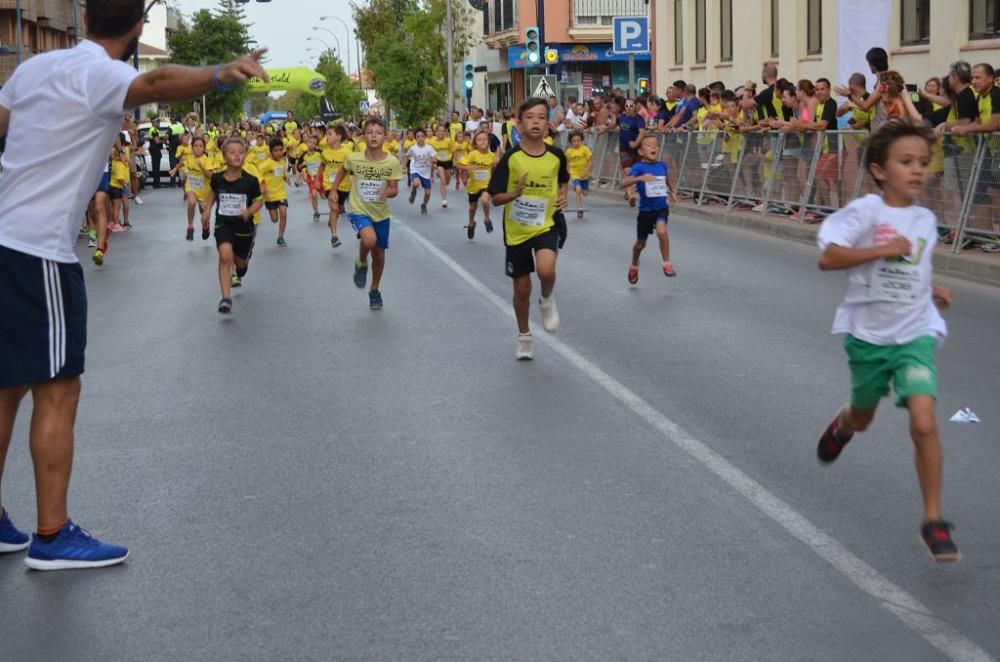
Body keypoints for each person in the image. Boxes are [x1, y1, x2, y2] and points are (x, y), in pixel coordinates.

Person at [0, 0, 267, 571]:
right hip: (39, 251)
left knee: (6, 388)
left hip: (5, 238)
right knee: (57, 387)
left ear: (88, 16)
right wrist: (222, 71)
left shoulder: (33, 68)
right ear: (138, 27)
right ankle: (51, 534)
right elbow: (159, 81)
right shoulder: (103, 73)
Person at [814, 119, 958, 562]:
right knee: (863, 416)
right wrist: (879, 250)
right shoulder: (864, 213)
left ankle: (933, 519)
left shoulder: (925, 219)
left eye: (923, 163)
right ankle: (845, 424)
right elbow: (829, 258)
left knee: (924, 422)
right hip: (869, 339)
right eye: (906, 162)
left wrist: (931, 289)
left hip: (914, 333)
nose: (917, 171)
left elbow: (911, 267)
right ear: (880, 170)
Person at [488, 97, 570, 361]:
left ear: (549, 123)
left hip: (546, 224)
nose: (536, 122)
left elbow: (563, 180)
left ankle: (546, 299)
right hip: (517, 230)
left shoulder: (556, 155)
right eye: (530, 117)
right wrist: (515, 194)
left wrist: (563, 197)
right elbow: (495, 196)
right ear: (519, 123)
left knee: (546, 270)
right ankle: (524, 336)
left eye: (541, 117)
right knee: (522, 288)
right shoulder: (511, 158)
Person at [330, 118, 402, 310]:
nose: (374, 136)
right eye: (370, 132)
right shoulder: (354, 158)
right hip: (359, 209)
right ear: (363, 136)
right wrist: (334, 190)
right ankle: (361, 261)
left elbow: (394, 189)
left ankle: (374, 289)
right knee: (369, 240)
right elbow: (342, 171)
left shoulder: (392, 162)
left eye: (378, 132)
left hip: (380, 212)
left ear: (385, 136)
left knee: (379, 255)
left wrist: (386, 192)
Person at [200, 138, 263, 314]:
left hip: (244, 228)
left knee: (240, 265)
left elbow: (259, 201)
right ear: (224, 156)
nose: (237, 155)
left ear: (245, 156)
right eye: (232, 152)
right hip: (223, 223)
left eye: (241, 152)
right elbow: (212, 193)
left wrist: (249, 211)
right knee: (225, 255)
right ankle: (226, 298)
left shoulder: (250, 181)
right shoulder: (218, 178)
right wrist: (206, 211)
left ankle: (243, 264)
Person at [621, 134, 678, 284]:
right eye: (648, 145)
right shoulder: (639, 167)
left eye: (655, 145)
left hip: (661, 208)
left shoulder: (662, 166)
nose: (653, 147)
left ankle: (666, 263)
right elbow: (625, 182)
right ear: (640, 152)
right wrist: (639, 179)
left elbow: (668, 177)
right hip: (646, 211)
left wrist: (673, 191)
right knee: (640, 244)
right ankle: (634, 264)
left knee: (662, 232)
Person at [169, 135, 213, 241]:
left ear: (204, 148)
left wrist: (201, 166)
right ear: (192, 147)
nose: (198, 148)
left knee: (204, 214)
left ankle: (205, 226)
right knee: (192, 202)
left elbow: (210, 176)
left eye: (201, 146)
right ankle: (190, 227)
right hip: (191, 186)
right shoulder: (189, 157)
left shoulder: (206, 160)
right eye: (196, 146)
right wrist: (175, 169)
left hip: (204, 190)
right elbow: (183, 161)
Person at [458, 130, 496, 240]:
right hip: (473, 186)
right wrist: (467, 167)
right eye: (479, 140)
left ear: (488, 142)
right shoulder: (473, 154)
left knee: (485, 200)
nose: (482, 142)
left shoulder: (492, 156)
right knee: (472, 208)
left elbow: (494, 170)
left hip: (486, 185)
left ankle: (487, 219)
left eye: (485, 139)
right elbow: (459, 165)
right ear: (475, 143)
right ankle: (471, 223)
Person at [320, 124, 351, 249]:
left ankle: (332, 218)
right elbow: (322, 166)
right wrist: (317, 180)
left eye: (329, 134)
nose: (327, 137)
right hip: (329, 185)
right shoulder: (325, 153)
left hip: (344, 186)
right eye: (326, 134)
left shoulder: (348, 153)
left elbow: (352, 169)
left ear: (338, 137)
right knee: (334, 208)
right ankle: (334, 236)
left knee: (338, 208)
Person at [259, 138, 290, 247]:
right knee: (274, 219)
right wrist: (262, 186)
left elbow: (284, 173)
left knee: (284, 213)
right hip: (269, 196)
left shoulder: (282, 162)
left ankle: (280, 237)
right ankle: (273, 212)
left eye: (281, 150)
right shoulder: (266, 164)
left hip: (281, 193)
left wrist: (287, 179)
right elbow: (259, 174)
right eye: (276, 150)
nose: (279, 153)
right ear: (271, 151)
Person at [616, 97, 646, 207]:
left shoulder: (639, 119)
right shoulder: (621, 118)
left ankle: (627, 192)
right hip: (624, 149)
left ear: (635, 107)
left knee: (635, 172)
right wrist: (604, 128)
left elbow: (642, 132)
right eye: (627, 106)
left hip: (637, 151)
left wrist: (636, 143)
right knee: (628, 171)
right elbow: (613, 125)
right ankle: (631, 195)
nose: (629, 108)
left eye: (631, 106)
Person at [406, 128, 436, 215]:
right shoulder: (413, 148)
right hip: (415, 169)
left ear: (425, 137)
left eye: (422, 136)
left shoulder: (429, 148)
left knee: (428, 193)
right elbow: (407, 156)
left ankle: (424, 205)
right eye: (418, 137)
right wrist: (405, 167)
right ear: (415, 138)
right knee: (416, 183)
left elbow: (434, 157)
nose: (420, 138)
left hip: (426, 172)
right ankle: (413, 191)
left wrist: (433, 161)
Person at [564, 130, 592, 219]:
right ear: (571, 142)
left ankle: (582, 189)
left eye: (578, 140)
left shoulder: (585, 149)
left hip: (584, 174)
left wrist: (586, 171)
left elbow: (590, 161)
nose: (576, 143)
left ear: (582, 140)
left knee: (585, 193)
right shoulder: (569, 152)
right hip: (575, 174)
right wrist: (568, 172)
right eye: (574, 141)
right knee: (578, 189)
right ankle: (580, 208)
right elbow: (567, 163)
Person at [298, 135, 324, 222]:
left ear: (316, 145)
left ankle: (334, 210)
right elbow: (299, 167)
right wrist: (302, 165)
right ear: (306, 143)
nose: (311, 144)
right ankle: (316, 212)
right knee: (313, 194)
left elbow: (327, 162)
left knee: (323, 196)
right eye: (310, 142)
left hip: (321, 177)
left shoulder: (320, 153)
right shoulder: (304, 155)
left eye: (314, 143)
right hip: (311, 178)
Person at [429, 124, 455, 208]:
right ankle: (444, 200)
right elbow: (431, 154)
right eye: (439, 131)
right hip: (439, 162)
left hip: (448, 162)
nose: (441, 132)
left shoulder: (448, 141)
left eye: (443, 131)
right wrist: (434, 162)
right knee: (443, 181)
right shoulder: (433, 142)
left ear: (445, 132)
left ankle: (445, 184)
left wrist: (453, 162)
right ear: (436, 132)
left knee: (447, 181)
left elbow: (453, 151)